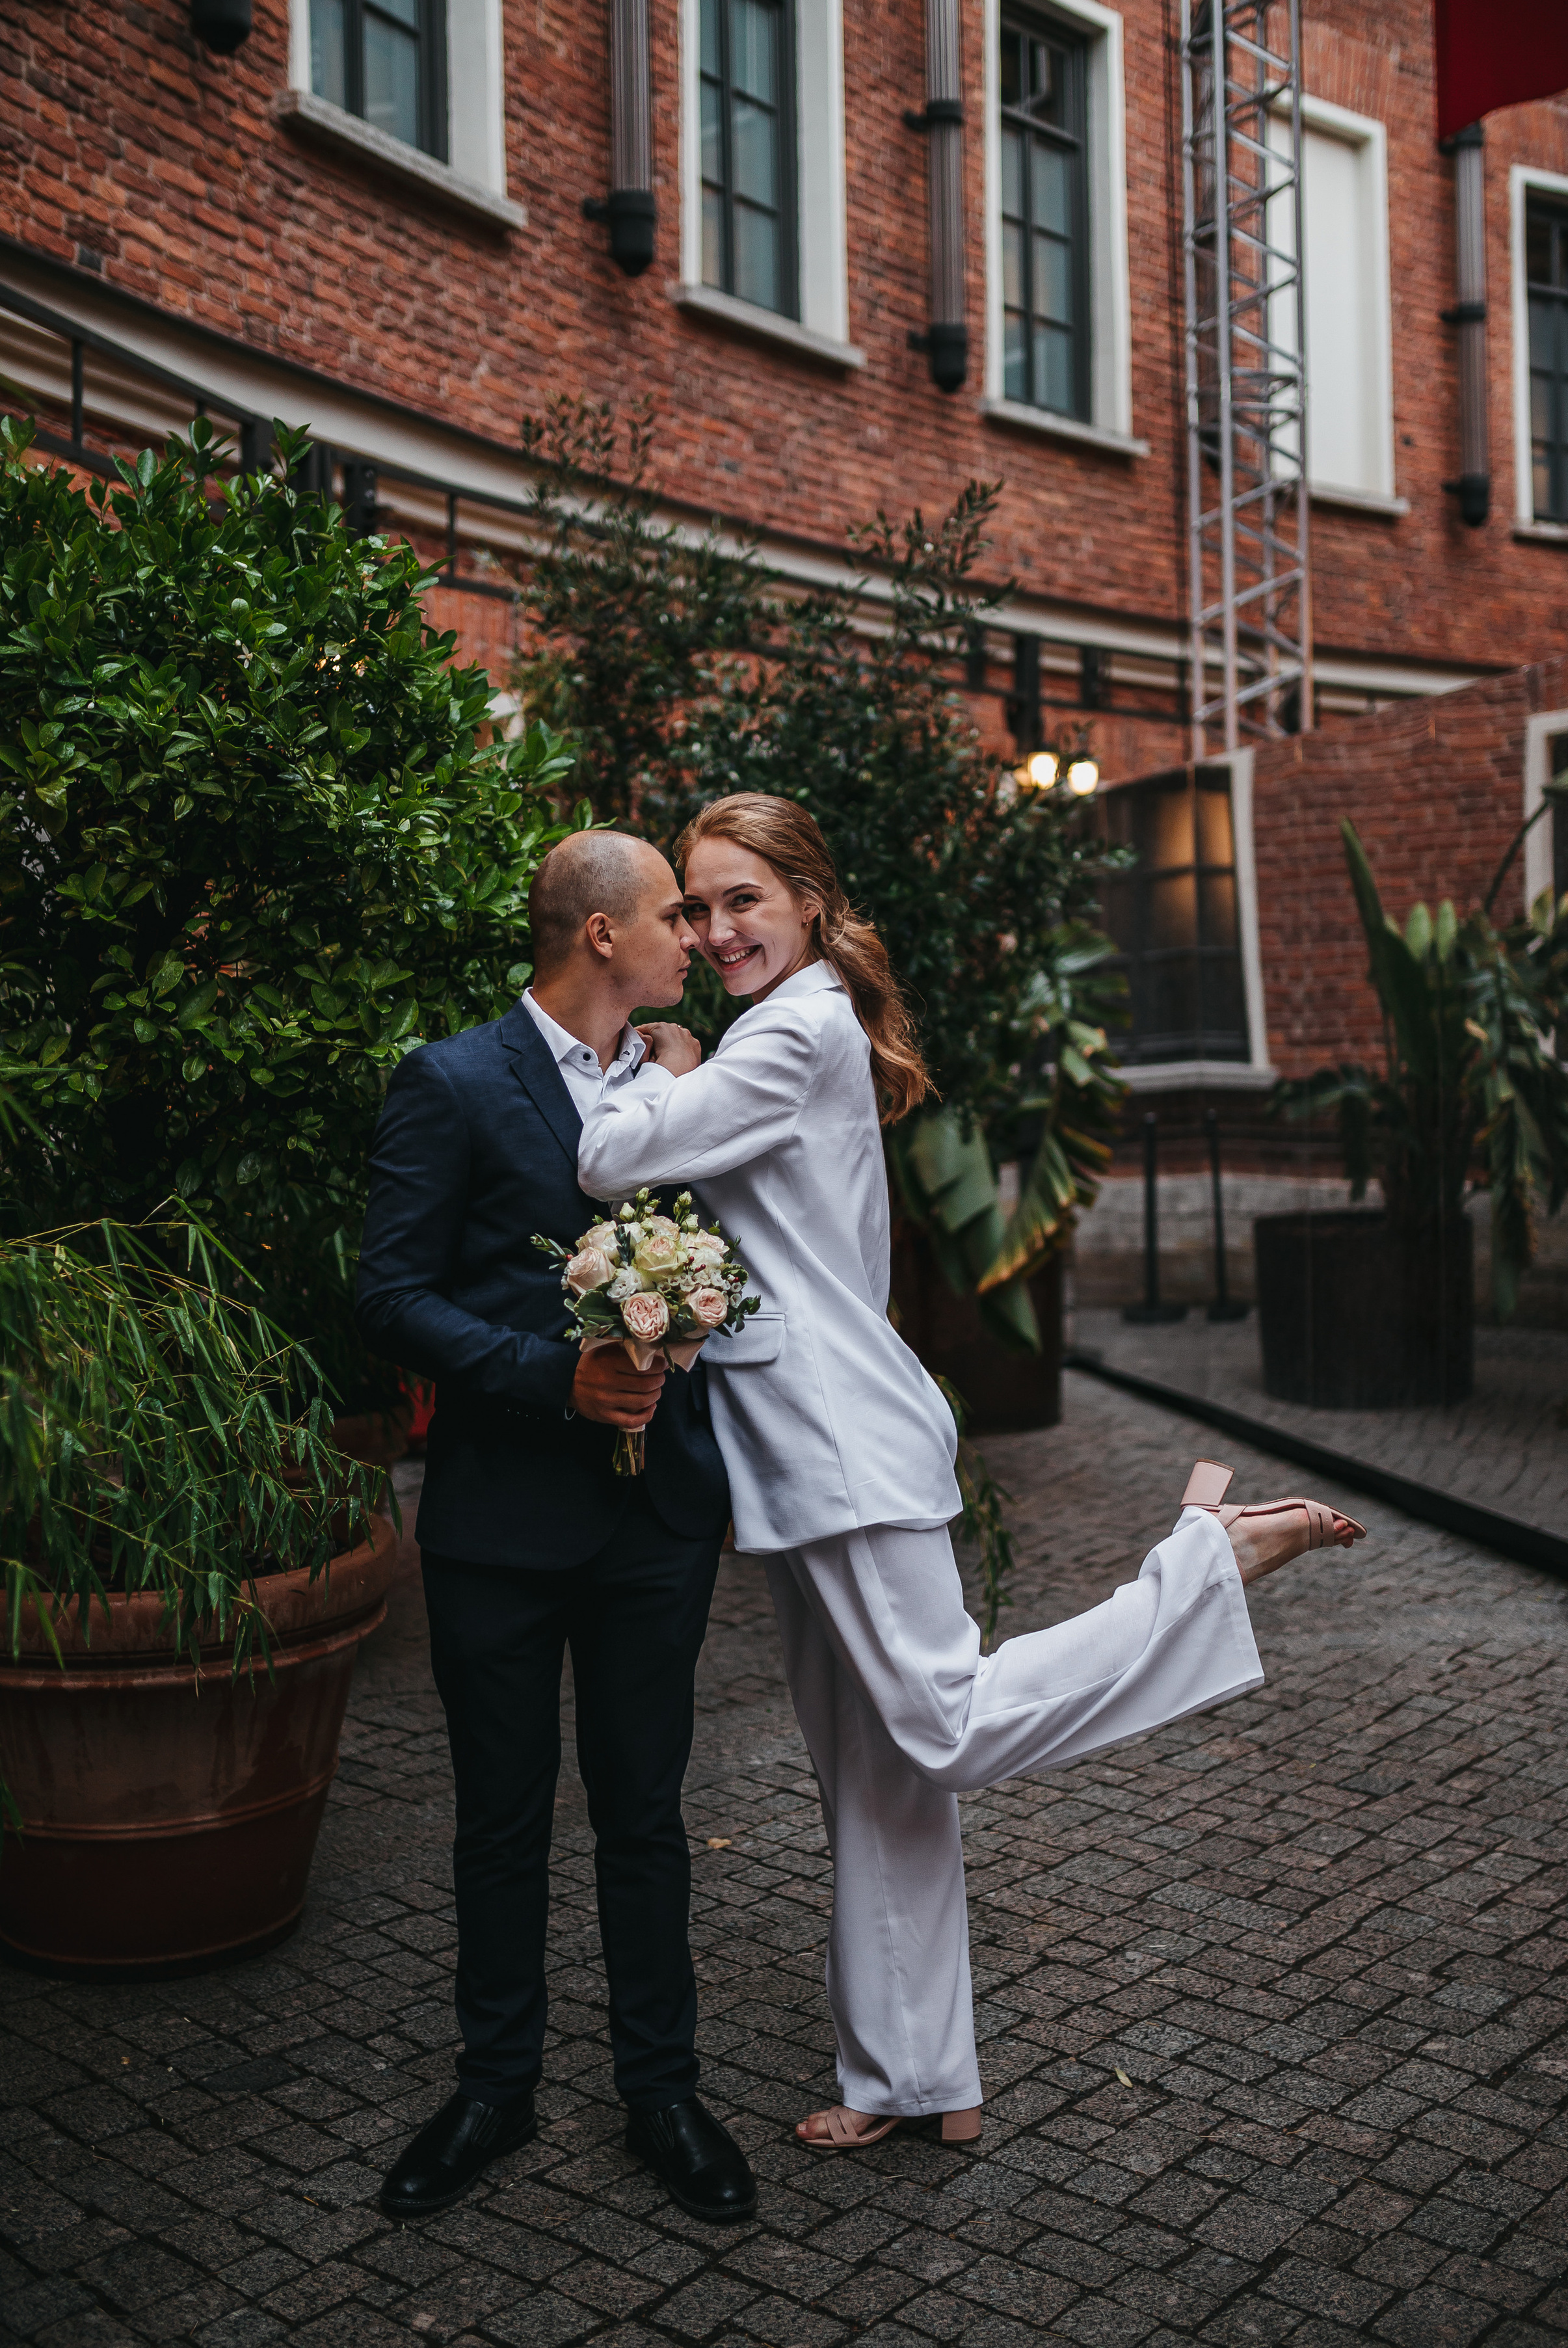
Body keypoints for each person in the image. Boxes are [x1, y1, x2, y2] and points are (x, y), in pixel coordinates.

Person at [579, 794, 1364, 2151]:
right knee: (878, 1773)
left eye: (739, 901)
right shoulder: (790, 1025)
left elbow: (610, 1157)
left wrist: (650, 1059)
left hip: (839, 1445)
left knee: (936, 1723)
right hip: (806, 1446)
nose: (713, 930)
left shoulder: (794, 1028)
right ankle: (915, 2077)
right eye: (696, 909)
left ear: (807, 904)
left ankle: (1204, 1564)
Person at [356, 831, 756, 2223]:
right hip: (500, 1526)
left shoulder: (678, 1084)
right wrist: (549, 1376)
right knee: (499, 1821)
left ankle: (663, 2089)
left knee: (647, 1814)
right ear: (599, 935)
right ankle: (492, 2088)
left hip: (655, 1526)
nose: (693, 938)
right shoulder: (453, 1079)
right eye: (671, 916)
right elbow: (389, 1293)